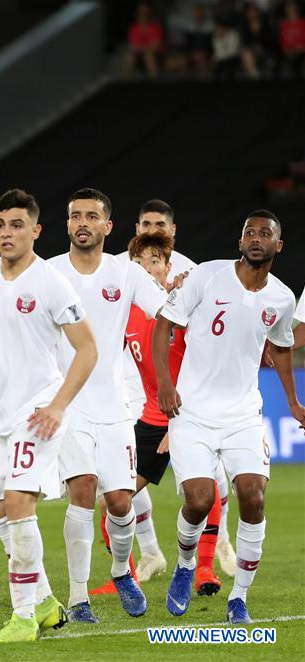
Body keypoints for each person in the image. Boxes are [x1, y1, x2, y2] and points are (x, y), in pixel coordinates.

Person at [0, 188, 97, 642]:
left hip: (40, 409)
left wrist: (57, 406)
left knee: (17, 502)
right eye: (0, 225)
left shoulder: (51, 283)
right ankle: (46, 601)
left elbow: (88, 349)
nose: (7, 233)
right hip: (1, 408)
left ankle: (22, 618)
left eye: (17, 225)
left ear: (36, 231)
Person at [156, 210, 304, 624]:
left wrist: (293, 403)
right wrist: (165, 384)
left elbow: (283, 347)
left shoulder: (281, 297)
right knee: (200, 501)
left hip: (243, 415)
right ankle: (186, 565)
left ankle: (239, 597)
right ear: (240, 242)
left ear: (278, 246)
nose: (256, 239)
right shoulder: (206, 276)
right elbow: (163, 323)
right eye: (249, 233)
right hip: (193, 412)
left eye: (265, 234)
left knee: (254, 498)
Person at [49, 188, 167, 622]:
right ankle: (78, 598)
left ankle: (121, 570)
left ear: (108, 226)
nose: (82, 222)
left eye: (91, 216)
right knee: (82, 493)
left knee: (119, 500)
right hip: (69, 406)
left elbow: (165, 312)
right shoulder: (49, 274)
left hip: (116, 406)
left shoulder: (126, 273)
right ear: (66, 224)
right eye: (75, 215)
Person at [93, 233, 227, 599]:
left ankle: (203, 569)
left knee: (203, 492)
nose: (146, 269)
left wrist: (182, 423)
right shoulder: (128, 313)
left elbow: (209, 359)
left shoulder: (186, 306)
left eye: (154, 262)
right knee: (111, 500)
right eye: (138, 264)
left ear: (168, 267)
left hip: (192, 415)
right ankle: (127, 575)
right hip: (152, 418)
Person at [115, 199, 236, 580]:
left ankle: (211, 554)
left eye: (161, 224)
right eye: (147, 222)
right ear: (135, 228)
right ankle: (143, 558)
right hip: (139, 395)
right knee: (115, 488)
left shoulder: (190, 277)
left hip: (188, 402)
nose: (155, 229)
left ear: (172, 233)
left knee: (205, 483)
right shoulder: (121, 272)